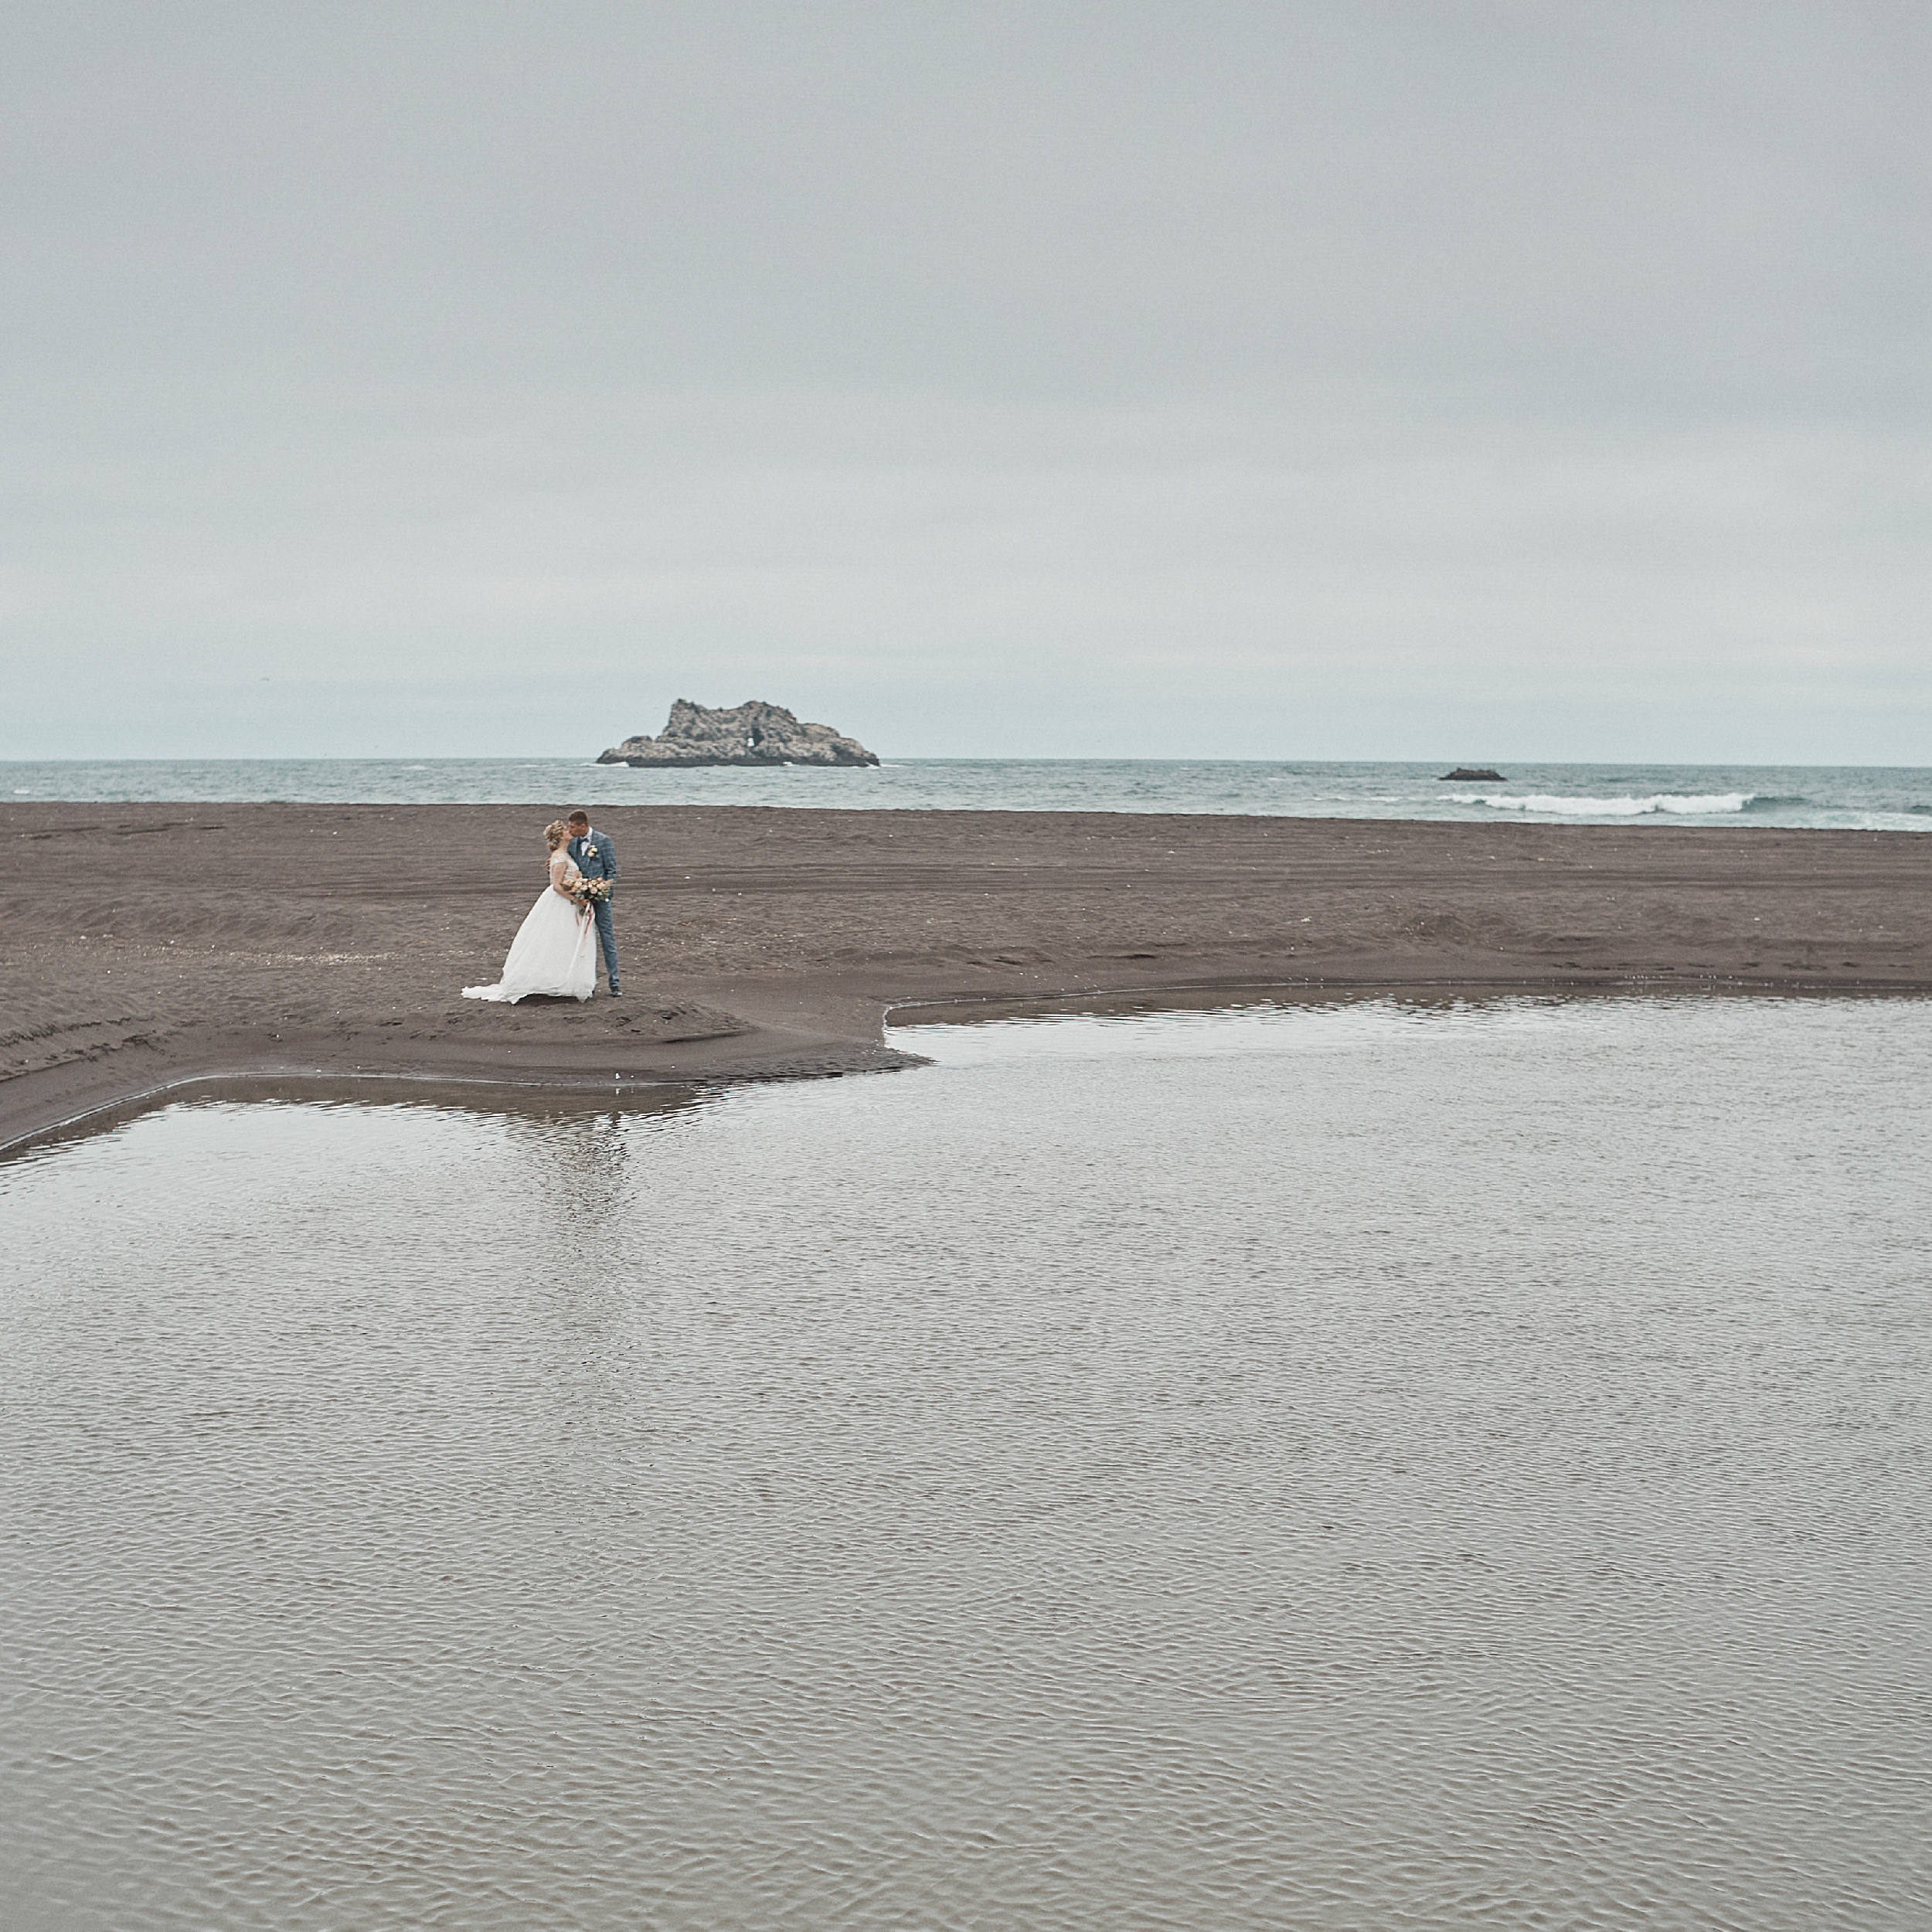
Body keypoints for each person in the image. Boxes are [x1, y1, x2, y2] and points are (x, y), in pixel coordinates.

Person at [461, 820, 599, 1003]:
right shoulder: (559, 856)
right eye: (566, 829)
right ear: (559, 835)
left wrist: (579, 884)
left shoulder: (564, 854)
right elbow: (557, 886)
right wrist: (577, 899)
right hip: (561, 902)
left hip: (566, 901)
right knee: (555, 939)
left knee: (562, 940)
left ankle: (561, 979)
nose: (569, 831)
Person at [566, 809, 620, 996]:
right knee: (581, 940)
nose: (570, 830)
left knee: (607, 938)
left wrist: (605, 892)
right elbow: (568, 867)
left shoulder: (604, 841)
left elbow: (611, 871)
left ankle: (615, 983)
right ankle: (584, 982)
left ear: (583, 826)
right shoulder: (572, 843)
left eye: (573, 827)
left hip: (600, 898)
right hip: (580, 899)